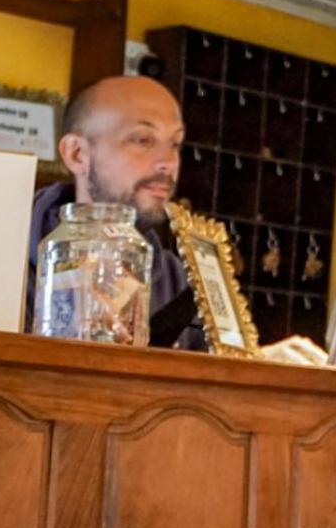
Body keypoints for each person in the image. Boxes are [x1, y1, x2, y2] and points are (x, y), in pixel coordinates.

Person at [26, 75, 205, 350]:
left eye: (175, 144)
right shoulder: (2, 264)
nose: (167, 163)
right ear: (77, 154)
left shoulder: (177, 281)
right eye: (143, 139)